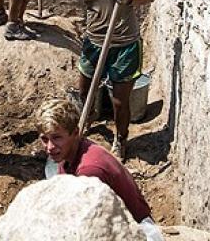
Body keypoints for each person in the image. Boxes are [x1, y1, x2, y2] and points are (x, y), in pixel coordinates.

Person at [42, 0, 153, 160]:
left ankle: (121, 139)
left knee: (119, 102)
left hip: (124, 44)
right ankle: (87, 122)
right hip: (93, 43)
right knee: (84, 92)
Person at [36, 98, 164, 241]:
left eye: (57, 137)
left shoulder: (89, 172)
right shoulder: (69, 154)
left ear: (75, 133)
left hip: (136, 232)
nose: (50, 147)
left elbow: (92, 228)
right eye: (44, 139)